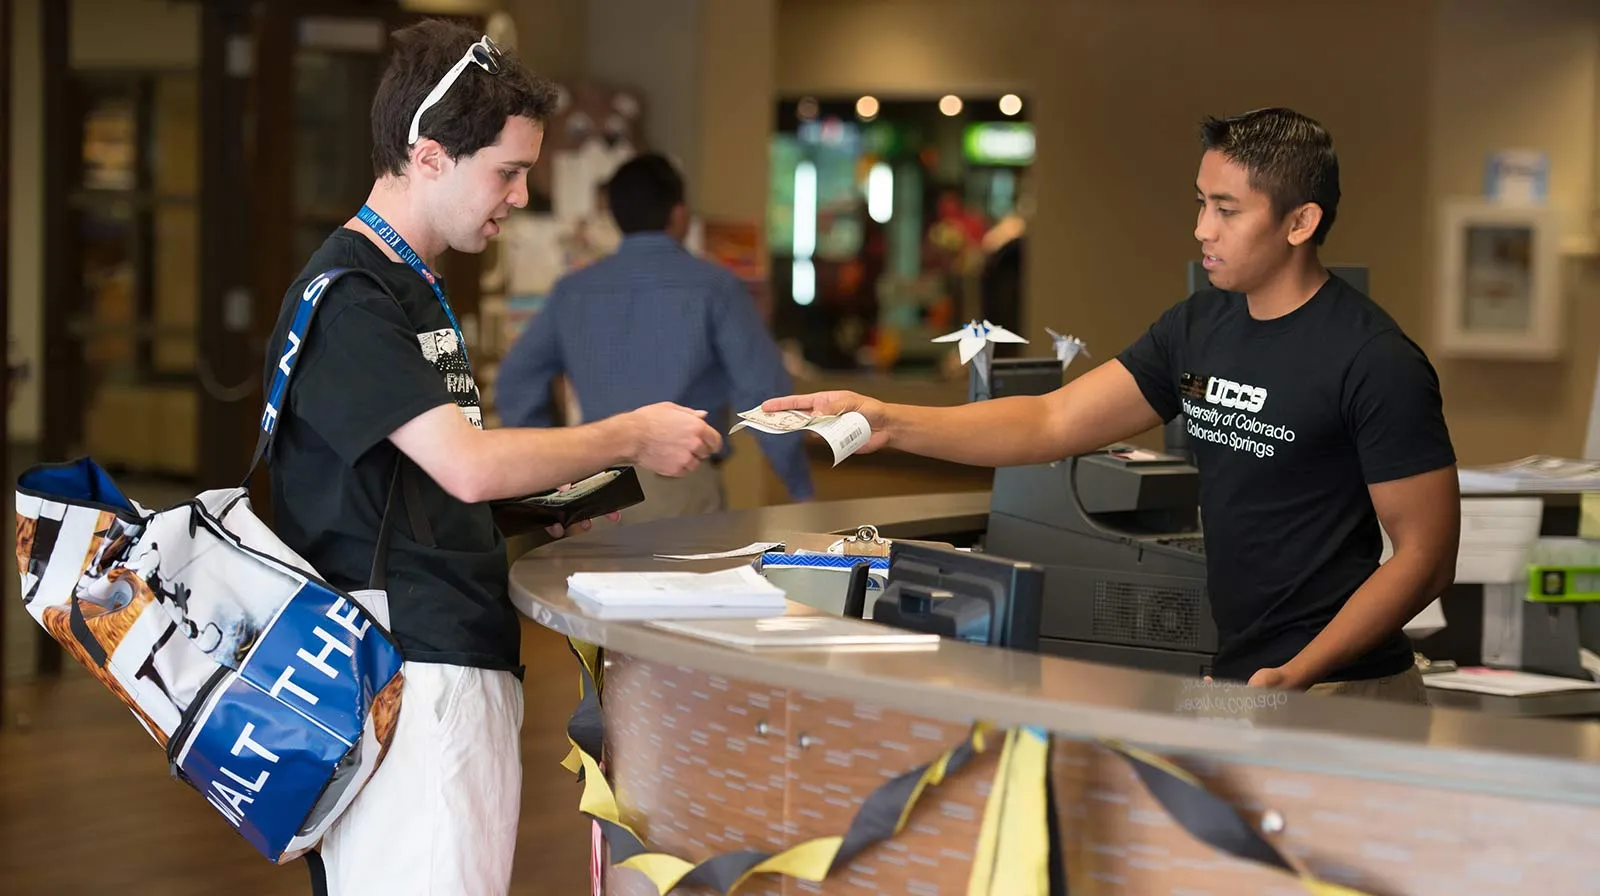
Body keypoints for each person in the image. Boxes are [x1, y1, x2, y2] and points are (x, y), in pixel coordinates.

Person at [764, 108, 1460, 703]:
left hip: (1344, 687)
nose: (1201, 230)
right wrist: (888, 420)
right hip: (1245, 680)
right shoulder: (1198, 328)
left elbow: (1425, 558)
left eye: (1226, 210)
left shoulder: (1374, 359)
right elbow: (1052, 420)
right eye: (1200, 202)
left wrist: (1299, 675)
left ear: (1300, 222)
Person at [262, 21, 721, 895]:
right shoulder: (355, 296)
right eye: (506, 172)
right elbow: (465, 466)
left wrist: (557, 493)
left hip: (439, 657)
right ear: (428, 155)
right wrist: (629, 433)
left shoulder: (409, 284)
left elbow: (423, 483)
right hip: (408, 671)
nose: (518, 196)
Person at [496, 153, 814, 522]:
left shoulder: (574, 291)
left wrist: (553, 467)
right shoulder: (714, 287)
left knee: (596, 582)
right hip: (682, 484)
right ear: (679, 213)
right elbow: (765, 391)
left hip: (597, 491)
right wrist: (799, 485)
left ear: (615, 216)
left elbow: (515, 380)